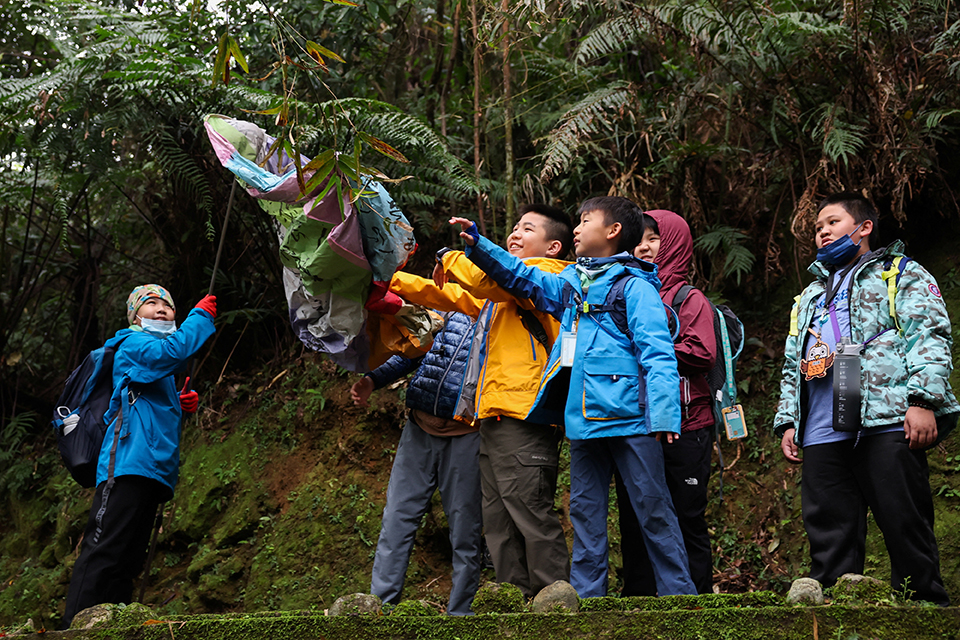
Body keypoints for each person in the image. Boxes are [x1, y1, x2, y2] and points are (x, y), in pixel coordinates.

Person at [448, 196, 695, 598]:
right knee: (585, 514)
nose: (576, 229)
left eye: (585, 221)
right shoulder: (573, 284)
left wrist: (665, 417)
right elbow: (520, 277)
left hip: (632, 421)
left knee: (653, 511)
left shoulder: (636, 287)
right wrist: (479, 245)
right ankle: (585, 600)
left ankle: (679, 599)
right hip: (582, 422)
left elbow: (658, 354)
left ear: (613, 231)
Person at [774, 192, 957, 606]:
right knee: (828, 532)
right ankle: (839, 612)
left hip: (888, 418)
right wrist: (788, 419)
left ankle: (924, 610)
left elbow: (929, 335)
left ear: (864, 227)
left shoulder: (900, 274)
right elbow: (792, 362)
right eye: (818, 227)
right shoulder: (808, 296)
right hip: (822, 426)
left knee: (904, 520)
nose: (822, 231)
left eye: (833, 222)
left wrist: (923, 400)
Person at [389, 204, 573, 599]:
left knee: (529, 512)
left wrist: (454, 255)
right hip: (493, 415)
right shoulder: (501, 294)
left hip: (525, 414)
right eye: (515, 227)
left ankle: (554, 606)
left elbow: (483, 279)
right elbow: (449, 294)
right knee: (498, 521)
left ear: (554, 246)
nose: (516, 234)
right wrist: (390, 280)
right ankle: (511, 603)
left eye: (528, 228)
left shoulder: (549, 278)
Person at [61, 285, 217, 627]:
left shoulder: (154, 351)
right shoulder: (131, 343)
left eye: (166, 304)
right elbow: (170, 353)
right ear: (135, 316)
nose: (161, 309)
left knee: (130, 556)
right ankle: (74, 627)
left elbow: (148, 394)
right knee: (105, 546)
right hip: (127, 462)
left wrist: (178, 400)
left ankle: (110, 625)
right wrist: (201, 316)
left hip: (153, 469)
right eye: (151, 303)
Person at [351, 310, 483, 615]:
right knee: (397, 518)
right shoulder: (449, 305)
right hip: (419, 428)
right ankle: (382, 608)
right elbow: (412, 350)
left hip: (467, 436)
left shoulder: (502, 313)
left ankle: (461, 614)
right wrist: (373, 380)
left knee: (465, 529)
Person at [615, 210, 716, 596]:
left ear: (674, 243)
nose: (643, 245)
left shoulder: (687, 298)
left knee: (685, 516)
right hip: (637, 428)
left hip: (686, 426)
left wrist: (647, 347)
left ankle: (697, 604)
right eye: (639, 238)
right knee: (637, 517)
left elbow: (701, 352)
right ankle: (639, 603)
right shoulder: (623, 291)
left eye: (655, 238)